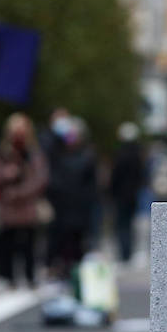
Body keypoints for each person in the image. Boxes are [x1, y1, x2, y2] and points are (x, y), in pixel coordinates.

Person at [0, 112, 48, 288]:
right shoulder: (3, 153)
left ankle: (31, 276)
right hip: (8, 209)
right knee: (8, 245)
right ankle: (10, 278)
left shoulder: (33, 153)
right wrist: (6, 174)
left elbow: (40, 178)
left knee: (29, 244)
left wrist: (20, 192)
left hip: (28, 206)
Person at [45, 117, 98, 279]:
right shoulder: (57, 156)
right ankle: (64, 269)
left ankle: (76, 271)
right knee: (62, 242)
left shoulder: (86, 157)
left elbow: (91, 187)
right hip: (62, 208)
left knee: (78, 243)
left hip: (79, 209)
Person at [109, 122, 145, 263]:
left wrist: (111, 192)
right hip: (133, 194)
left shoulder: (120, 154)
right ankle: (128, 252)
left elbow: (115, 176)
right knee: (129, 224)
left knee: (122, 224)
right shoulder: (138, 155)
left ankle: (125, 253)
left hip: (121, 195)